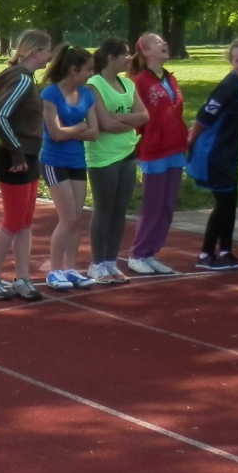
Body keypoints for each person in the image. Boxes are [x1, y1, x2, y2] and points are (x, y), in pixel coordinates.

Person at [0, 30, 54, 302]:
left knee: (24, 222)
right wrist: (17, 153)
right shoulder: (22, 79)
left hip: (28, 157)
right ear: (36, 52)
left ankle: (22, 278)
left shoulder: (25, 78)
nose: (51, 56)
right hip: (15, 161)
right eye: (48, 50)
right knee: (12, 222)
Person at [186, 38, 238, 271]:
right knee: (224, 203)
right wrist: (190, 141)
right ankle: (205, 255)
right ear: (231, 61)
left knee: (231, 201)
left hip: (230, 151)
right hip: (213, 153)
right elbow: (203, 117)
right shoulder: (227, 87)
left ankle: (225, 250)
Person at [84, 38, 148, 284]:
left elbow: (144, 116)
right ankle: (97, 263)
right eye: (125, 54)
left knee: (120, 210)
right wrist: (128, 120)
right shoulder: (94, 84)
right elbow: (104, 124)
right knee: (104, 209)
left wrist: (118, 119)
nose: (130, 58)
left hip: (127, 153)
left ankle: (111, 261)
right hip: (103, 157)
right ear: (111, 58)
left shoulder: (128, 84)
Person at [127, 32, 188, 276]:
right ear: (146, 51)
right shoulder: (140, 81)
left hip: (175, 148)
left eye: (163, 40)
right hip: (153, 149)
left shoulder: (170, 78)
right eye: (156, 42)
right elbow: (138, 118)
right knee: (152, 204)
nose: (163, 43)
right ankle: (137, 254)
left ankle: (150, 253)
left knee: (167, 206)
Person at [37, 44, 98, 290]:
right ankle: (54, 271)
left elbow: (94, 132)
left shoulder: (87, 95)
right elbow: (55, 134)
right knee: (68, 217)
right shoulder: (50, 94)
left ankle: (70, 269)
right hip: (54, 161)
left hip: (77, 161)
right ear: (74, 69)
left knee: (77, 218)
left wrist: (72, 131)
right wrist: (80, 127)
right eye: (88, 69)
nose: (91, 74)